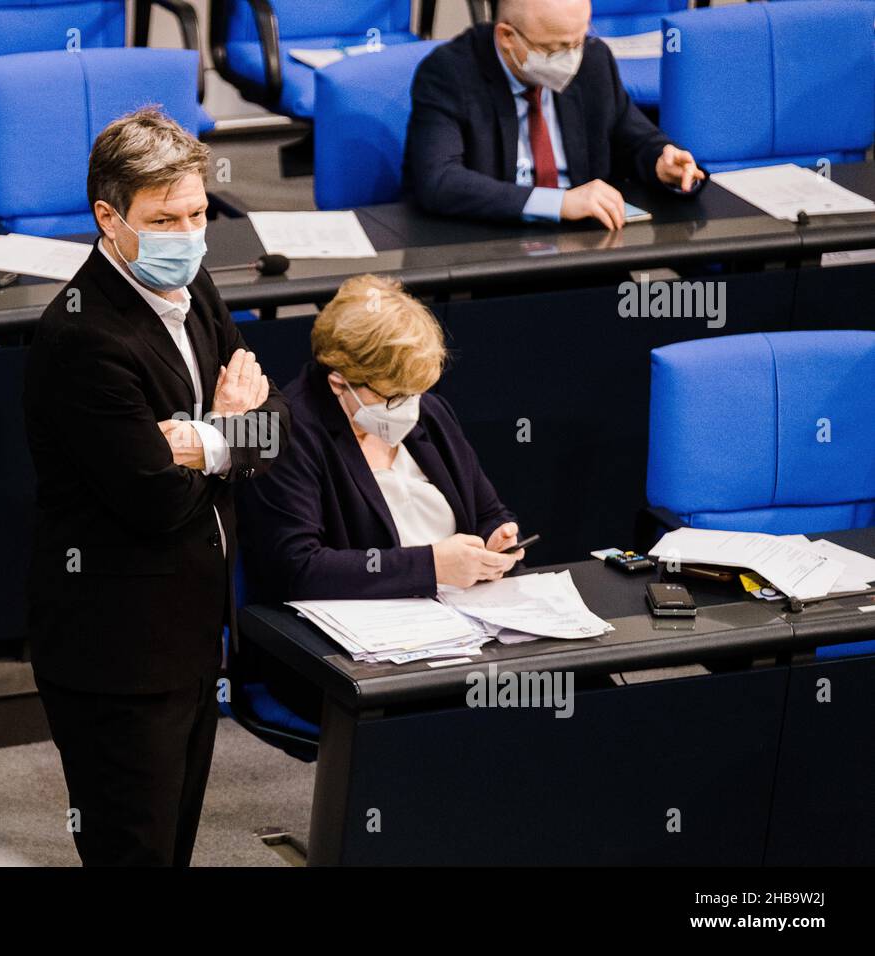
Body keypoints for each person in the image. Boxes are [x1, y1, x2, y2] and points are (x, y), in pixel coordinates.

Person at [22, 108, 290, 867]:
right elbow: (155, 500)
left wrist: (206, 439)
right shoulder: (82, 339)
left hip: (195, 629)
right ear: (109, 218)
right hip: (115, 649)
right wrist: (229, 430)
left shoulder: (195, 280)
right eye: (164, 218)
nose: (187, 233)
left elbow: (274, 429)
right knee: (132, 851)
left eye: (198, 213)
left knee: (173, 845)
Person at [239, 274, 522, 608]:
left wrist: (496, 539)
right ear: (338, 382)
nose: (410, 406)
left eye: (416, 392)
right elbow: (298, 569)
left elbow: (487, 510)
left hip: (460, 615)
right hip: (354, 636)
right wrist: (432, 566)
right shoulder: (287, 434)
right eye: (392, 397)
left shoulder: (429, 413)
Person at [404, 0, 706, 228]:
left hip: (586, 247)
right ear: (508, 37)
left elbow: (633, 136)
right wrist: (559, 202)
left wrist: (661, 162)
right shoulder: (449, 73)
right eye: (556, 48)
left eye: (578, 41)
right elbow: (438, 181)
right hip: (495, 247)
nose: (573, 58)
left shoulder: (594, 60)